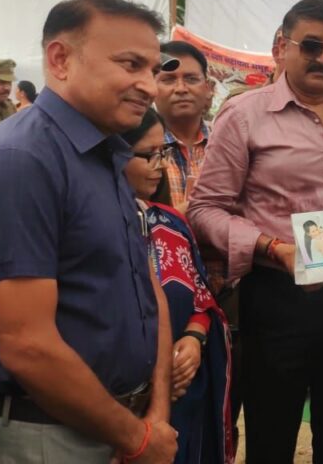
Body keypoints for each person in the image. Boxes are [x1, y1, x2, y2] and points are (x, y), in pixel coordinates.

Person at [187, 0, 323, 463]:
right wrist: (272, 248)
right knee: (271, 436)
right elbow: (205, 209)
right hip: (277, 296)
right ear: (281, 47)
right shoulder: (244, 114)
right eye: (311, 45)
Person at [0, 0, 177, 463]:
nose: (150, 86)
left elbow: (147, 287)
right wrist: (138, 438)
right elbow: (28, 346)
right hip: (49, 438)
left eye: (153, 69)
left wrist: (155, 413)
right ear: (60, 60)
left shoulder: (102, 154)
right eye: (131, 64)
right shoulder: (18, 161)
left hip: (125, 427)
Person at [122, 108, 234, 464]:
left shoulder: (170, 222)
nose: (159, 165)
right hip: (118, 404)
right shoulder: (90, 229)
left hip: (184, 392)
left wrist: (194, 339)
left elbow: (201, 297)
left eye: (163, 153)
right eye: (148, 155)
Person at [156, 41, 215, 213]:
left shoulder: (228, 142)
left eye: (191, 79)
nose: (181, 89)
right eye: (168, 79)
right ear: (151, 85)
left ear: (208, 88)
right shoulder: (136, 147)